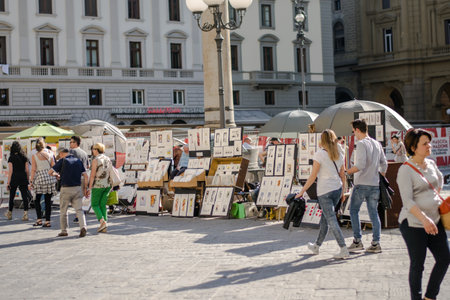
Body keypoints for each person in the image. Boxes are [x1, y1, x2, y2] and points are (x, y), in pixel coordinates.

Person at [396, 129, 449, 300]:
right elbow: (408, 201)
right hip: (413, 223)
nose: (429, 146)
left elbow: (439, 182)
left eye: (429, 142)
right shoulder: (405, 170)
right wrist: (424, 218)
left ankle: (430, 297)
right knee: (418, 265)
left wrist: (432, 203)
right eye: (424, 143)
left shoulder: (431, 164)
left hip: (435, 220)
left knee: (445, 258)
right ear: (413, 147)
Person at [296, 129, 349, 259]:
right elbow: (343, 175)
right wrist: (343, 192)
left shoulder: (320, 154)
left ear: (322, 140)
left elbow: (313, 176)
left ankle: (343, 248)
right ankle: (317, 246)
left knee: (331, 220)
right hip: (337, 189)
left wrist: (302, 192)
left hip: (324, 191)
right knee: (325, 219)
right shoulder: (340, 153)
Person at [346, 119, 387, 253]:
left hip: (361, 183)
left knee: (353, 211)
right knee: (373, 213)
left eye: (353, 131)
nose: (353, 134)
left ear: (358, 130)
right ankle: (376, 243)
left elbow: (360, 165)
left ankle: (357, 241)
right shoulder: (376, 143)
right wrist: (380, 175)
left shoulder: (362, 144)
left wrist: (347, 171)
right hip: (374, 184)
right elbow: (384, 164)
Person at [49, 148, 89, 238]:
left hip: (65, 189)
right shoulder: (79, 161)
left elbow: (50, 172)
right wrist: (85, 188)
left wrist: (57, 175)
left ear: (63, 153)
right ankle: (83, 226)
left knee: (63, 210)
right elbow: (85, 176)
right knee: (79, 210)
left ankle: (64, 230)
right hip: (77, 188)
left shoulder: (62, 161)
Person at [29, 140, 56, 227]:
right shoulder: (51, 154)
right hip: (49, 178)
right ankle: (47, 221)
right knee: (48, 201)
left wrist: (31, 181)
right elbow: (53, 166)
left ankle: (39, 219)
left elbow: (33, 169)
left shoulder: (35, 156)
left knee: (37, 199)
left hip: (40, 179)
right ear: (44, 146)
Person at [87, 143, 112, 233]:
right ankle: (104, 225)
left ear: (96, 150)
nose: (92, 151)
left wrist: (89, 188)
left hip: (97, 185)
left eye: (93, 149)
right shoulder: (107, 159)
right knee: (102, 205)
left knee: (94, 204)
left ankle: (102, 221)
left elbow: (93, 175)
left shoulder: (96, 160)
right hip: (107, 185)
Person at [5, 141, 31, 221]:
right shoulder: (24, 157)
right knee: (24, 196)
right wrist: (27, 179)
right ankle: (25, 214)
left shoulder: (11, 157)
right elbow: (27, 170)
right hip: (23, 177)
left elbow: (10, 171)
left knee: (12, 196)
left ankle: (9, 213)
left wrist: (8, 182)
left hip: (14, 177)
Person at [69, 136, 89, 223]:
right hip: (84, 177)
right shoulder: (84, 153)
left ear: (75, 143)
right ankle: (81, 214)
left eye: (71, 142)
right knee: (81, 197)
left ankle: (78, 216)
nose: (70, 144)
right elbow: (88, 166)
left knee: (75, 198)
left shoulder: (72, 152)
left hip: (75, 177)